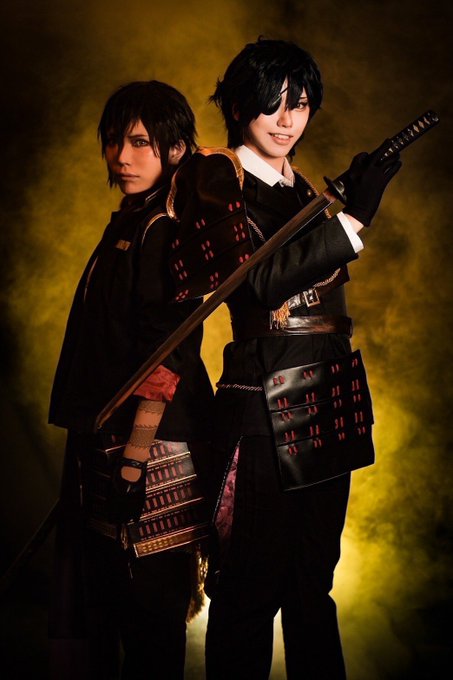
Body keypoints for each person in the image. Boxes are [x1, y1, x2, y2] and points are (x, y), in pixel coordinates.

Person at [168, 39, 401, 679]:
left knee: (312, 590)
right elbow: (260, 283)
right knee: (248, 588)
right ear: (238, 106)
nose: (286, 118)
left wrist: (336, 209)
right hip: (261, 404)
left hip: (329, 396)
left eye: (299, 104)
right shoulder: (217, 173)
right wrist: (354, 218)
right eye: (272, 102)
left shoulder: (301, 189)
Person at [48, 80, 213, 680]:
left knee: (150, 626)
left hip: (152, 454)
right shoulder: (132, 220)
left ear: (176, 149)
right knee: (108, 616)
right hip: (106, 447)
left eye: (140, 142)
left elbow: (168, 355)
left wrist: (134, 463)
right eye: (115, 140)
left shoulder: (167, 227)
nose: (122, 156)